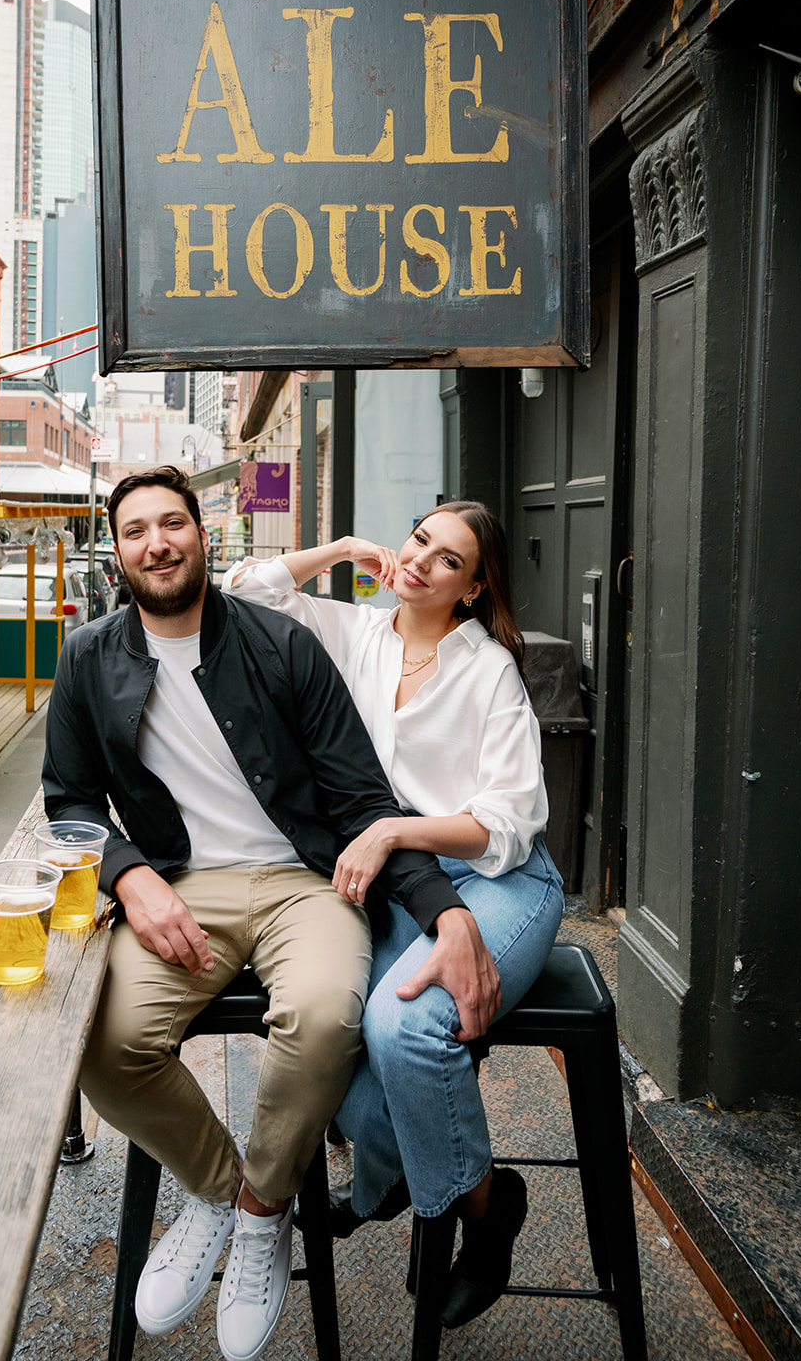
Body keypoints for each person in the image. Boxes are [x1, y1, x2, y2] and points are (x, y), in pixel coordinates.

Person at [42, 467, 492, 1361]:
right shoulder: (88, 655)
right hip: (180, 886)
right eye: (136, 531)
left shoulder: (283, 645)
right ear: (118, 551)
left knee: (325, 1017)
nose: (157, 543)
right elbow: (69, 801)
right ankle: (224, 1191)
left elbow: (362, 798)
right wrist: (127, 875)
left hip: (302, 882)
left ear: (203, 536)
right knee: (100, 1044)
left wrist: (443, 912)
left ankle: (258, 1216)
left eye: (173, 524)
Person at [225, 502, 564, 1329]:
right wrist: (343, 547)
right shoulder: (352, 634)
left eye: (448, 560)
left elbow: (510, 820)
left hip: (499, 877)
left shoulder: (487, 671)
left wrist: (389, 827)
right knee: (342, 1026)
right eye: (418, 541)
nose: (421, 562)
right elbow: (243, 591)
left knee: (402, 1027)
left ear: (473, 587)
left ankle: (482, 1215)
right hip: (401, 880)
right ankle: (393, 1184)